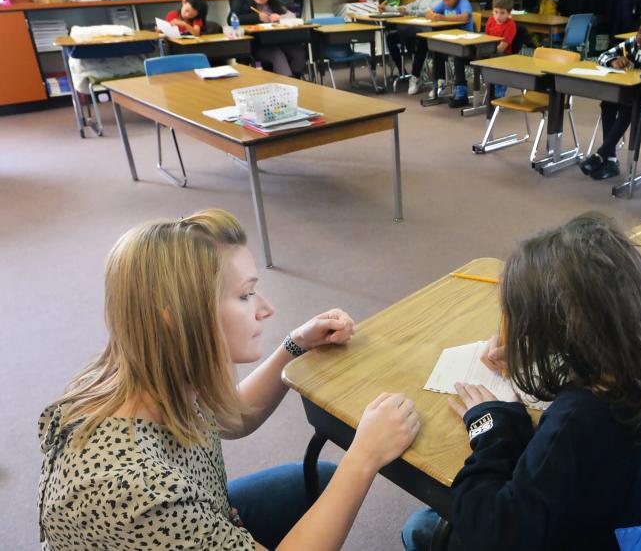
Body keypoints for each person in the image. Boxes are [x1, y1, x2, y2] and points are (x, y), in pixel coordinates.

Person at [38, 209, 421, 550]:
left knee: (322, 481)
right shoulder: (133, 494)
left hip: (204, 513)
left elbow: (231, 417)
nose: (266, 309)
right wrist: (364, 457)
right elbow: (157, 502)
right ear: (176, 317)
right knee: (339, 481)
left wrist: (295, 345)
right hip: (172, 518)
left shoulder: (153, 371)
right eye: (246, 295)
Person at [401, 213, 641, 551]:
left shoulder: (575, 420)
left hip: (562, 537)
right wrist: (537, 350)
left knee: (422, 527)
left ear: (558, 327)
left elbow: (493, 533)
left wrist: (491, 428)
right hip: (622, 528)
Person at [580, 6, 641, 181]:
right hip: (630, 93)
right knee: (608, 102)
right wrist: (613, 60)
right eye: (639, 32)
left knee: (627, 108)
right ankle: (610, 160)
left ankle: (601, 155)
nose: (639, 38)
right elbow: (603, 56)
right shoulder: (633, 43)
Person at [411, 0, 474, 107]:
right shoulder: (444, 3)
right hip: (449, 38)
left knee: (458, 57)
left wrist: (442, 18)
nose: (446, 2)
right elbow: (430, 13)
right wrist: (432, 15)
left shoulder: (463, 3)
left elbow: (464, 17)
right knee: (435, 49)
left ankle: (461, 91)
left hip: (466, 42)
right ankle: (439, 84)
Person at [232, 0, 307, 78]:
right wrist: (257, 17)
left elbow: (292, 16)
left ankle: (296, 79)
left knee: (299, 52)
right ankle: (289, 83)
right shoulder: (243, 4)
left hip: (280, 41)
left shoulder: (274, 4)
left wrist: (280, 17)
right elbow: (231, 20)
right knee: (277, 55)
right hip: (257, 45)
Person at [381, 0, 442, 80]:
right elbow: (407, 7)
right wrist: (386, 8)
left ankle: (416, 73)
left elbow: (427, 12)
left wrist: (408, 11)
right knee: (391, 38)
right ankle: (401, 70)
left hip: (426, 31)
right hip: (413, 29)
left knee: (410, 39)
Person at [484, 0, 518, 99]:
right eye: (496, 12)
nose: (498, 16)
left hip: (503, 55)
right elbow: (486, 39)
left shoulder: (511, 25)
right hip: (490, 51)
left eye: (502, 13)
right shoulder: (490, 21)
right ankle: (489, 86)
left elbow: (502, 47)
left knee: (492, 58)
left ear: (509, 13)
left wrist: (486, 50)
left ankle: (499, 88)